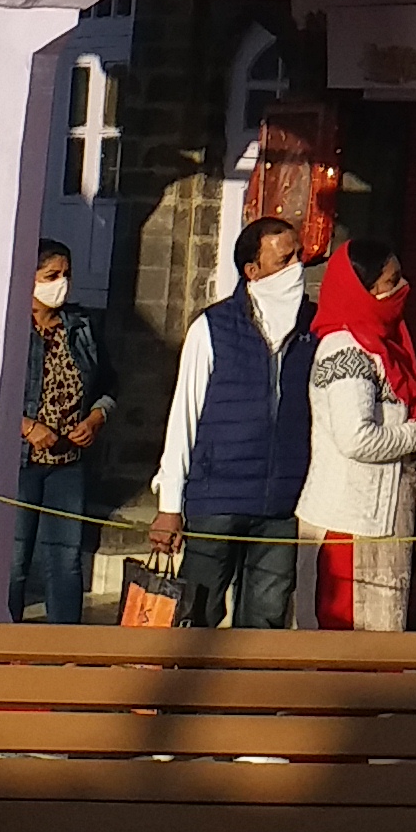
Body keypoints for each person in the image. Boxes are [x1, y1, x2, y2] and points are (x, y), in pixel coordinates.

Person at [147, 216, 313, 629]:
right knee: (197, 616)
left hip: (282, 504)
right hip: (216, 499)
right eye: (283, 260)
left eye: (298, 256)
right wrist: (170, 506)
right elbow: (183, 417)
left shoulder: (316, 327)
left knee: (267, 620)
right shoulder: (212, 327)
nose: (296, 268)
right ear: (252, 271)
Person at [298, 236, 416, 631]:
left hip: (377, 524)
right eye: (391, 281)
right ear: (363, 290)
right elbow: (356, 438)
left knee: (382, 643)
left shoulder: (383, 346)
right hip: (349, 526)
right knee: (351, 648)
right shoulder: (346, 350)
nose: (401, 289)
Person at [11, 240, 115, 623]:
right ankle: (1, 642)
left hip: (68, 463)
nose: (61, 284)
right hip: (21, 463)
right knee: (14, 558)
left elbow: (108, 385)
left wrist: (96, 418)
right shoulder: (10, 327)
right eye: (51, 276)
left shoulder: (82, 326)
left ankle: (65, 644)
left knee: (65, 557)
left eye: (66, 275)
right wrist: (24, 426)